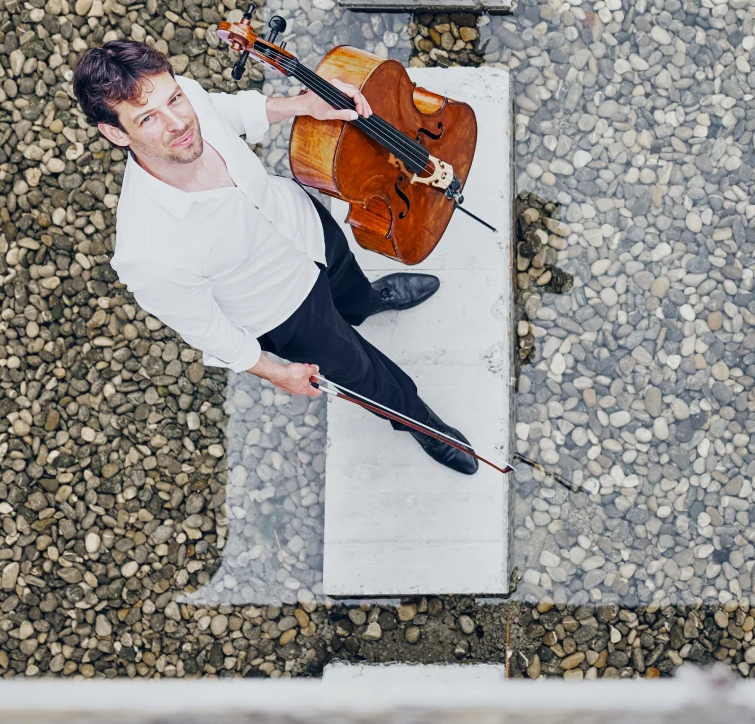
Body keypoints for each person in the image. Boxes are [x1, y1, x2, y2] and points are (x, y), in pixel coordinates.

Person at [72, 38, 478, 475]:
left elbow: (221, 112)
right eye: (148, 118)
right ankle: (420, 423)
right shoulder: (147, 252)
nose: (178, 122)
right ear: (115, 132)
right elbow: (211, 332)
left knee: (353, 289)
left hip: (306, 229)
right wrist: (275, 371)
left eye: (174, 98)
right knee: (367, 375)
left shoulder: (182, 99)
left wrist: (304, 104)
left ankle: (369, 302)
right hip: (285, 312)